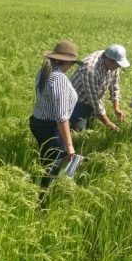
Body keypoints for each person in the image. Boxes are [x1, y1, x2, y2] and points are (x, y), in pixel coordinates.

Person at [29, 40, 80, 195]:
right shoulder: (59, 78)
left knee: (47, 161)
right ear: (68, 62)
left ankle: (40, 190)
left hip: (38, 122)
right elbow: (61, 116)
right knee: (52, 167)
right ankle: (42, 202)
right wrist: (69, 145)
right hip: (51, 128)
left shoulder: (44, 71)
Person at [70, 44, 130, 132]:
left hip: (94, 98)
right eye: (117, 65)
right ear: (110, 61)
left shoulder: (113, 61)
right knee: (78, 131)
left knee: (91, 126)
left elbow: (115, 85)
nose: (118, 67)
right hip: (77, 102)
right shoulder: (90, 70)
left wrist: (116, 108)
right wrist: (108, 124)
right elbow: (95, 101)